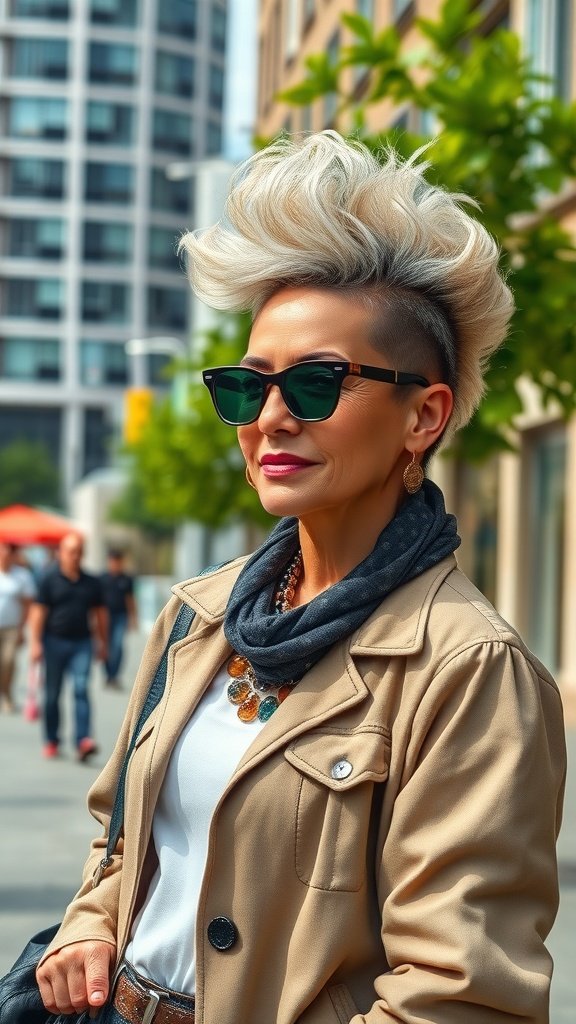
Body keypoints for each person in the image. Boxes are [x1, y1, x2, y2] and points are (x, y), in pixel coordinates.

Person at [36, 132, 566, 1024]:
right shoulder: (196, 617)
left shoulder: (468, 668)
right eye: (248, 387)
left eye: (317, 384)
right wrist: (89, 929)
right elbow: (122, 844)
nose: (272, 418)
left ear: (423, 416)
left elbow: (461, 995)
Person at [29, 531, 107, 760]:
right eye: (71, 551)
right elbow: (38, 612)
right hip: (54, 641)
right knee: (53, 693)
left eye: (79, 552)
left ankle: (83, 740)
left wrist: (103, 643)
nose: (75, 556)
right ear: (61, 553)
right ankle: (52, 739)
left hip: (82, 642)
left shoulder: (91, 583)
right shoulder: (48, 579)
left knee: (81, 688)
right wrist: (35, 643)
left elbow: (100, 614)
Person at [0, 541, 35, 713]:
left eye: (8, 553)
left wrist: (23, 629)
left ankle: (6, 693)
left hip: (12, 627)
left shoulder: (21, 576)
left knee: (8, 661)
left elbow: (28, 604)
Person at [100, 549, 137, 689]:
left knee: (118, 646)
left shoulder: (126, 579)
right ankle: (108, 674)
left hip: (121, 616)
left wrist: (133, 617)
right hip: (105, 616)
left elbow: (130, 599)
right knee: (106, 645)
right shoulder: (102, 579)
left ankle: (114, 675)